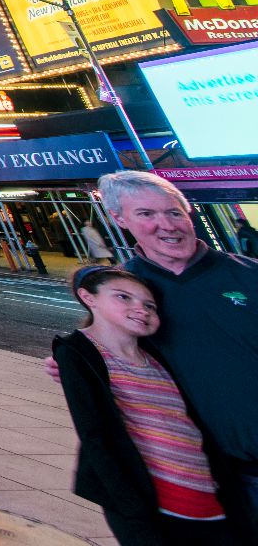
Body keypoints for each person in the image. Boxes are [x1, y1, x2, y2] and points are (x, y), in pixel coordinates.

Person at [59, 171, 258, 511]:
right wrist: (71, 362)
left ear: (188, 213)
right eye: (146, 214)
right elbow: (102, 351)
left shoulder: (248, 274)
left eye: (173, 212)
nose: (166, 225)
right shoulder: (126, 292)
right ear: (119, 219)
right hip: (208, 476)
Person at [54, 266, 250, 544]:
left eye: (150, 306)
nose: (141, 309)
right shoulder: (79, 352)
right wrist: (131, 508)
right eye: (123, 297)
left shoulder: (158, 355)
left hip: (207, 495)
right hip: (152, 502)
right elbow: (95, 434)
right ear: (88, 297)